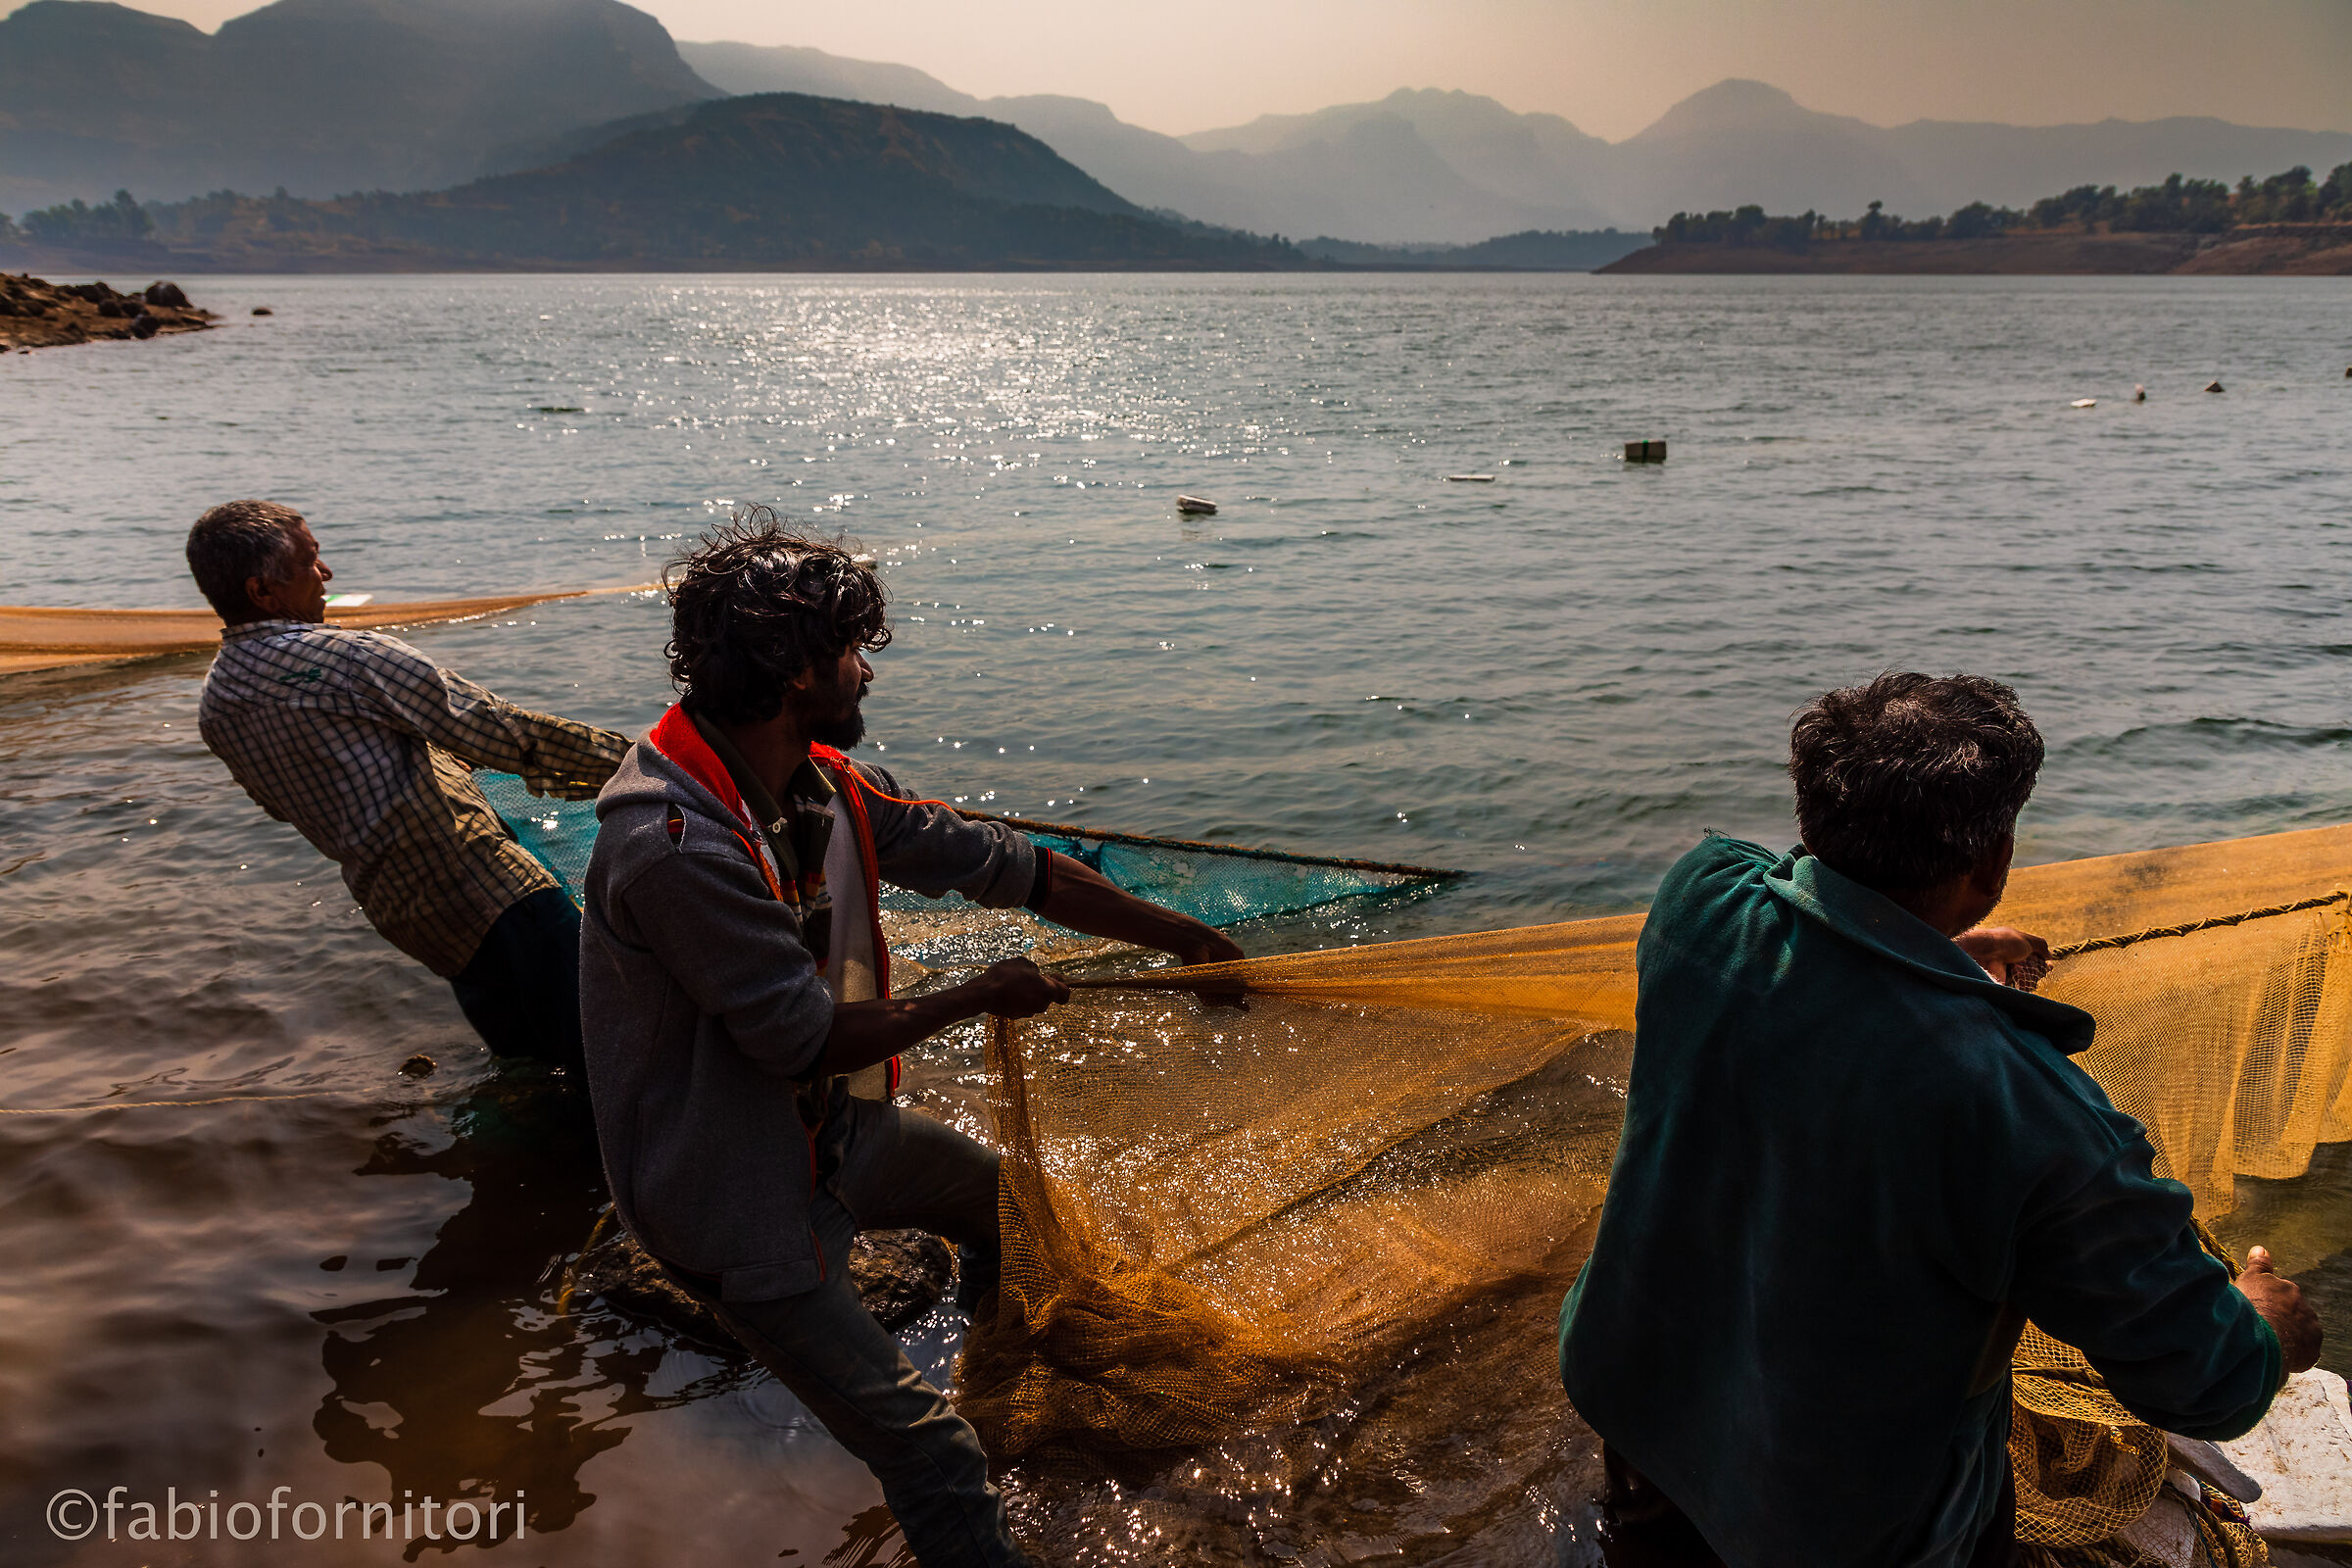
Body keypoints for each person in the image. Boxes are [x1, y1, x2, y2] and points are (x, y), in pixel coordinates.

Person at [578, 512, 1244, 1568]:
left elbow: (1002, 864)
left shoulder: (821, 785)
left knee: (1009, 1212)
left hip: (834, 1135)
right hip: (737, 1198)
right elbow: (799, 1038)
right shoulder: (673, 842)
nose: (865, 674)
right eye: (852, 653)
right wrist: (978, 993)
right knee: (934, 1461)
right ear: (798, 671)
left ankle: (1002, 1377)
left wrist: (1182, 939)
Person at [1557, 671, 2320, 1568]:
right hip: (1840, 1521)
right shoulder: (2035, 1113)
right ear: (1993, 864)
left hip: (1639, 1405)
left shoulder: (1699, 900)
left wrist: (1930, 953)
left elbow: (1801, 941)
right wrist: (2267, 1323)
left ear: (1815, 811)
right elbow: (2208, 1380)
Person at [189, 500, 628, 1067]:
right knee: (612, 1050)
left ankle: (542, 1151)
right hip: (492, 888)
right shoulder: (345, 658)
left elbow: (295, 799)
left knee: (536, 1064)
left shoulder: (216, 703)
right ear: (263, 592)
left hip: (410, 915)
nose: (326, 576)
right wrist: (642, 762)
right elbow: (504, 732)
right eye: (310, 562)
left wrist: (438, 760)